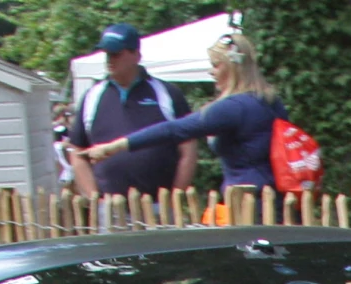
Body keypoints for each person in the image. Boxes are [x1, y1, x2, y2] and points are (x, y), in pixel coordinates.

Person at [84, 30, 282, 196]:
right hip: (275, 195)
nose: (211, 72)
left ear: (232, 67)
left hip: (249, 202)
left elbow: (174, 129)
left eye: (216, 65)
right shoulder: (270, 101)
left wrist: (116, 146)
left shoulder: (233, 107)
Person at [67, 23, 196, 199]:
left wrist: (176, 196)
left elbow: (188, 149)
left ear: (136, 55)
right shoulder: (93, 96)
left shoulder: (166, 93)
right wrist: (94, 197)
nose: (110, 60)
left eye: (116, 54)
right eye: (107, 54)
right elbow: (77, 152)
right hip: (109, 206)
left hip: (159, 204)